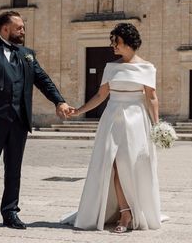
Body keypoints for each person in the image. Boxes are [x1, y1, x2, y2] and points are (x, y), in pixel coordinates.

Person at [0, 11, 73, 233]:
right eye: (19, 28)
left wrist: (59, 101)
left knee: (14, 169)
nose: (23, 31)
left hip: (19, 120)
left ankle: (10, 212)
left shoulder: (27, 54)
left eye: (23, 27)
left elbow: (43, 80)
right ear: (5, 29)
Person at [62, 23, 163, 233]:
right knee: (113, 163)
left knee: (131, 164)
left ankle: (133, 209)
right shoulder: (111, 67)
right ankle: (125, 212)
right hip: (112, 119)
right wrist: (79, 111)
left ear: (128, 42)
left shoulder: (147, 67)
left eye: (115, 41)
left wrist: (157, 126)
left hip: (136, 121)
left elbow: (152, 98)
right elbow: (101, 95)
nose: (113, 46)